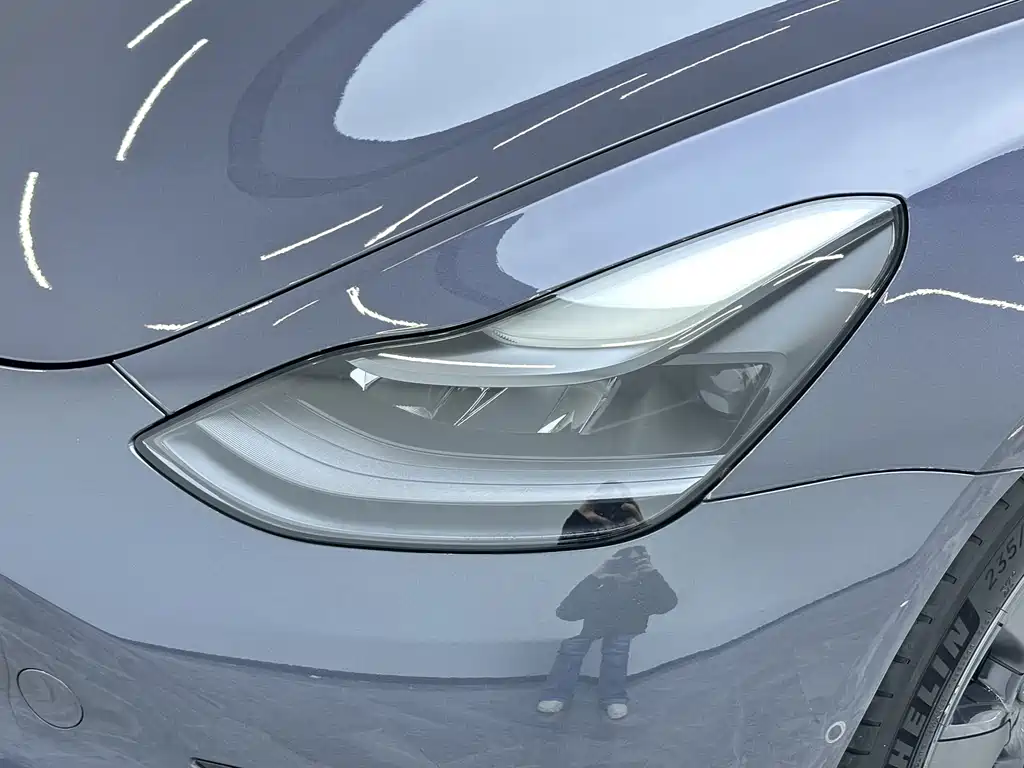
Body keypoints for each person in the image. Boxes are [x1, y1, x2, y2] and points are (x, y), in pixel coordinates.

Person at [537, 543, 678, 720]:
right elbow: (565, 612)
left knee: (617, 651)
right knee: (572, 649)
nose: (628, 569)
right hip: (592, 628)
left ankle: (613, 697)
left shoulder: (646, 588)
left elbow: (668, 604)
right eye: (624, 563)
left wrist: (652, 574)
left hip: (625, 629)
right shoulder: (601, 586)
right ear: (613, 564)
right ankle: (556, 694)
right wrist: (595, 577)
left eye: (636, 563)